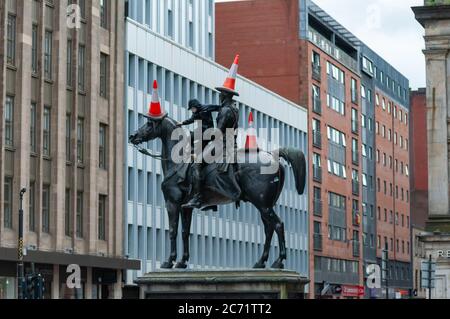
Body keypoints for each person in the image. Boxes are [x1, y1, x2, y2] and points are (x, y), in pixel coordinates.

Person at [177, 99, 222, 209]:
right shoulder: (195, 113)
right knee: (190, 137)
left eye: (192, 108)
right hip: (201, 132)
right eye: (191, 109)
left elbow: (217, 107)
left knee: (195, 138)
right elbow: (191, 120)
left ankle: (196, 153)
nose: (192, 110)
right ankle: (193, 153)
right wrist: (182, 123)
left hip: (209, 132)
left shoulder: (206, 107)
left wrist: (223, 110)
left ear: (196, 106)